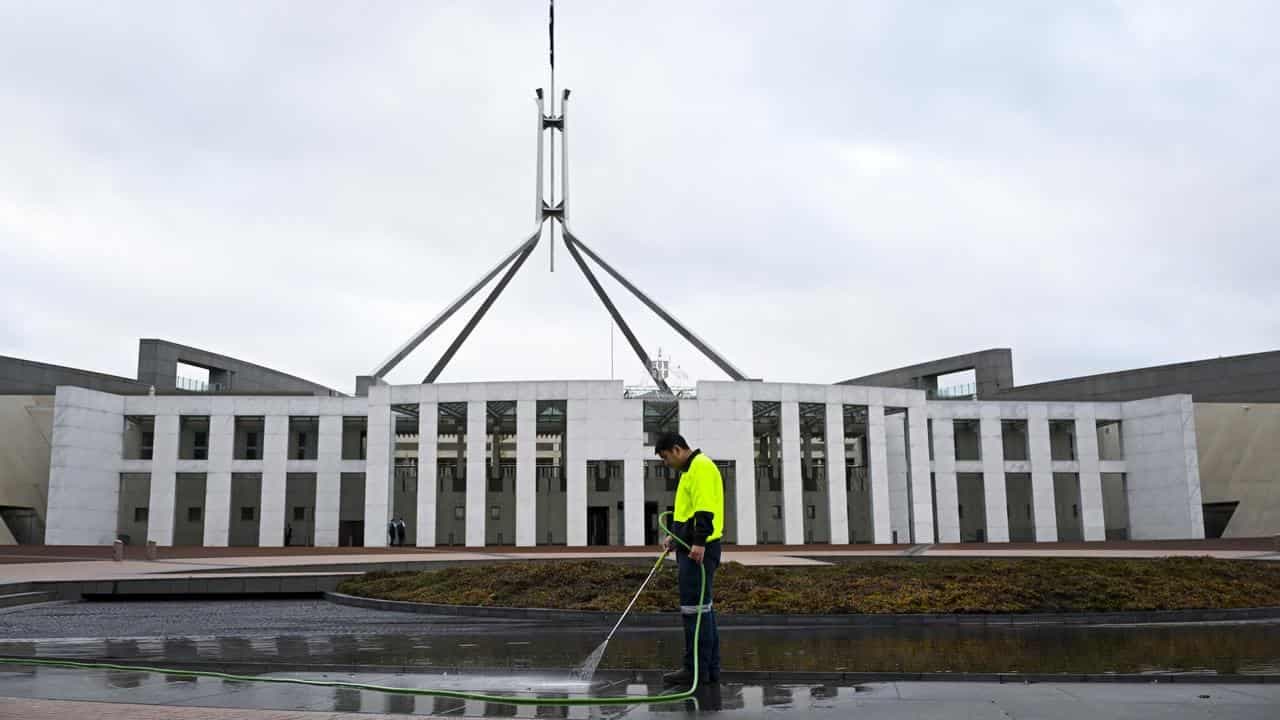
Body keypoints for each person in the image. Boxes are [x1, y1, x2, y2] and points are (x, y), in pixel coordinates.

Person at [654, 432, 722, 686]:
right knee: (704, 610)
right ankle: (708, 670)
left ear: (676, 449)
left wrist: (698, 542)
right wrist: (675, 536)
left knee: (695, 611)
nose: (666, 463)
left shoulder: (701, 467)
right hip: (689, 545)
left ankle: (695, 671)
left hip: (698, 551)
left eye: (665, 457)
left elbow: (705, 510)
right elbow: (688, 512)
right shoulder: (689, 471)